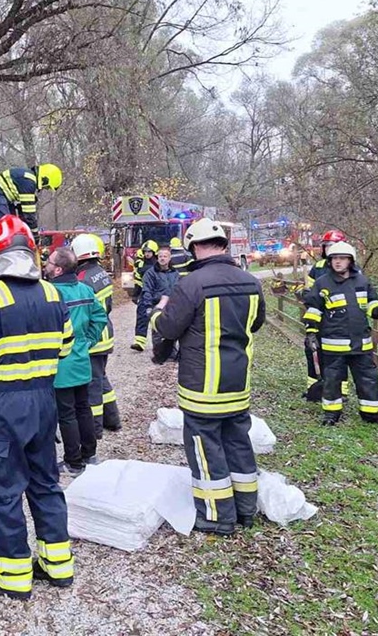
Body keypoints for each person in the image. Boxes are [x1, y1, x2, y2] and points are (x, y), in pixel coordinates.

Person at [0, 215, 75, 600]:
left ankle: (12, 575)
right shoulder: (54, 294)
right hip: (44, 402)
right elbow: (66, 349)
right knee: (45, 482)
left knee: (3, 489)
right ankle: (58, 565)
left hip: (5, 406)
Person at [149, 218, 266, 535]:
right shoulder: (251, 282)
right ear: (224, 246)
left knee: (205, 449)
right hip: (238, 383)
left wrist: (157, 313)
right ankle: (246, 509)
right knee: (238, 443)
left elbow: (169, 327)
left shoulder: (192, 284)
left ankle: (216, 516)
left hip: (202, 387)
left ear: (195, 248)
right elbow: (256, 324)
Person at [302, 241, 378, 426]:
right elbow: (314, 310)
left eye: (342, 258)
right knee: (332, 381)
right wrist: (311, 333)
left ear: (351, 261)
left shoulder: (363, 281)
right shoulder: (323, 283)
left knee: (368, 379)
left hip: (361, 343)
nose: (338, 262)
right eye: (334, 259)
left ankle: (371, 414)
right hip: (333, 344)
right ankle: (331, 414)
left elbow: (372, 305)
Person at [46, 247, 108, 476]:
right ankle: (90, 455)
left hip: (60, 362)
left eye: (49, 262)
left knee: (67, 414)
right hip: (81, 359)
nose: (46, 264)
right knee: (83, 408)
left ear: (58, 269)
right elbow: (100, 317)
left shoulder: (50, 293)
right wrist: (88, 341)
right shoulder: (85, 289)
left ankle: (73, 462)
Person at [72, 234, 120, 435]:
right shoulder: (101, 273)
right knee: (101, 378)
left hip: (94, 338)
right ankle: (112, 419)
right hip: (105, 333)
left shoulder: (82, 279)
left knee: (92, 384)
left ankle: (94, 427)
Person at [301, 229, 351, 401]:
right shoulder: (318, 267)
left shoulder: (350, 269)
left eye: (331, 246)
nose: (328, 249)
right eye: (326, 246)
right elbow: (310, 289)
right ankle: (314, 388)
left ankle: (341, 391)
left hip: (339, 320)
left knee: (339, 357)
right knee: (312, 351)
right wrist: (306, 294)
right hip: (318, 319)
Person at [0, 165, 63, 232]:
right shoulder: (28, 182)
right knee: (6, 225)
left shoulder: (28, 179)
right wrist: (34, 232)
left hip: (4, 195)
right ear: (44, 180)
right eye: (47, 187)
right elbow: (29, 214)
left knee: (12, 227)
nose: (44, 189)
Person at [140, 245, 180, 358]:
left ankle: (171, 353)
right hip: (157, 305)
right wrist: (148, 306)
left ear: (169, 258)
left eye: (165, 256)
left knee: (172, 329)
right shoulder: (150, 273)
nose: (162, 258)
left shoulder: (175, 273)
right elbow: (147, 290)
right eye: (160, 256)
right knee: (157, 330)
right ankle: (159, 354)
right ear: (157, 258)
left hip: (172, 305)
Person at [130, 239, 159, 350]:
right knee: (142, 317)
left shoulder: (159, 264)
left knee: (159, 318)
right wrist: (135, 295)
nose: (147, 254)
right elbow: (137, 281)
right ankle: (139, 342)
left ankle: (161, 343)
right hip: (144, 294)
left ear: (154, 252)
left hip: (157, 294)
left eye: (149, 251)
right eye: (145, 251)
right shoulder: (140, 264)